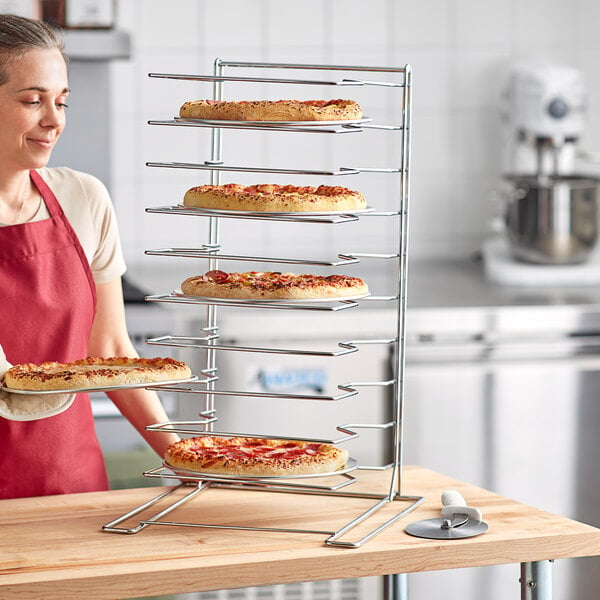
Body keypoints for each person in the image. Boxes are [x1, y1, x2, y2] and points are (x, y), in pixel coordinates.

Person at [0, 14, 180, 498]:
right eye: (32, 100)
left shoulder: (84, 199)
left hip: (70, 482)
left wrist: (185, 458)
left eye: (61, 102)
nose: (54, 120)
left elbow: (112, 350)